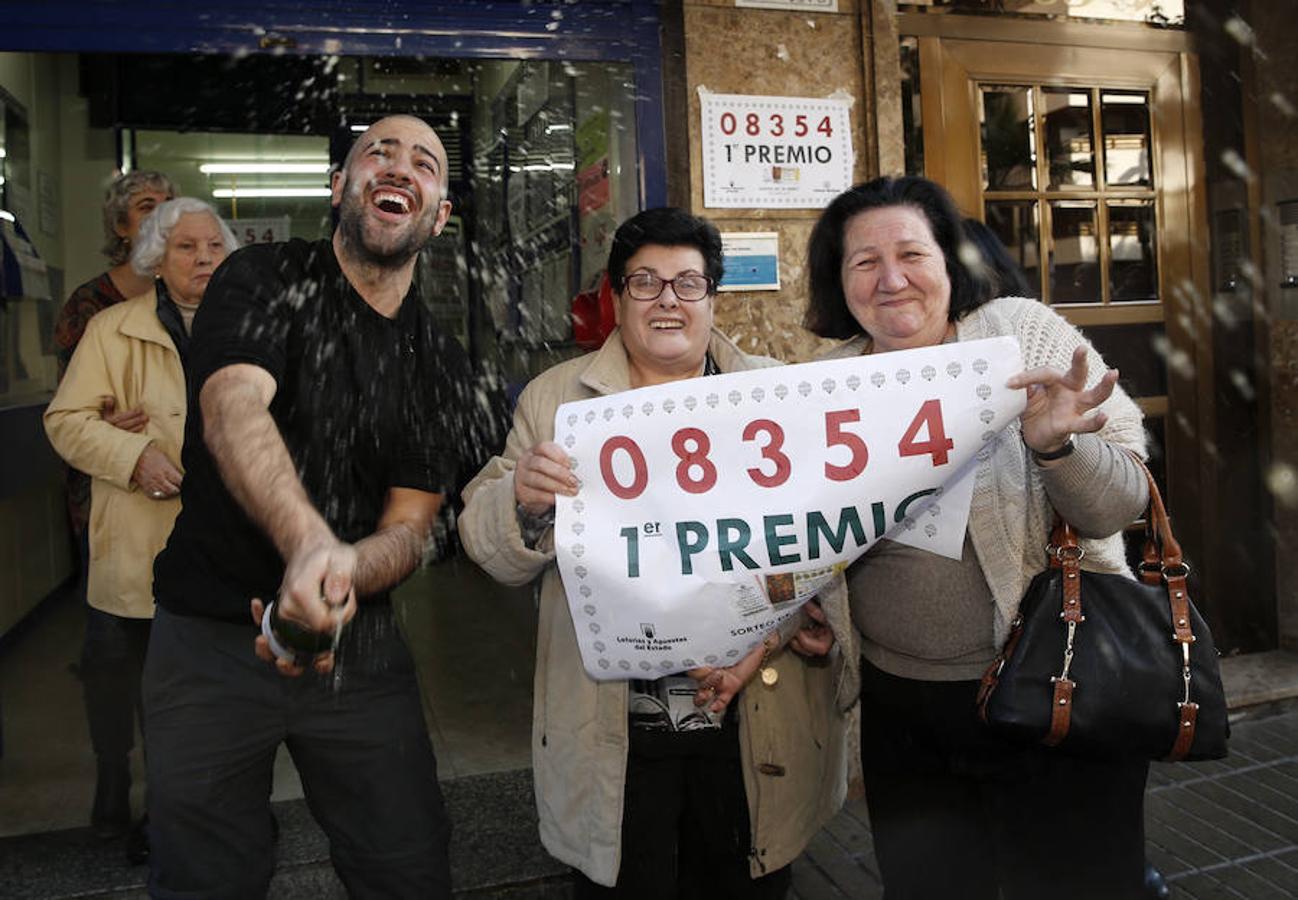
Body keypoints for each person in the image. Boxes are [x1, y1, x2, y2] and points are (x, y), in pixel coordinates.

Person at [459, 207, 855, 898]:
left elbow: (823, 542)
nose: (668, 299)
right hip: (615, 722)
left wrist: (774, 638)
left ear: (713, 297)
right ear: (617, 298)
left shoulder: (774, 392)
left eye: (687, 283)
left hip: (749, 715)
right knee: (624, 880)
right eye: (645, 282)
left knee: (747, 878)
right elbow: (487, 544)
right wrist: (522, 501)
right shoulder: (558, 400)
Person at [143, 115, 472, 899]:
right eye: (378, 154)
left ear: (438, 214)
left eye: (423, 163)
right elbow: (233, 408)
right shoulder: (261, 276)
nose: (399, 168)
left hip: (358, 648)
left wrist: (340, 576)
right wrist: (309, 544)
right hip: (207, 643)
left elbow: (410, 526)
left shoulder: (439, 361)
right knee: (202, 877)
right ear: (339, 188)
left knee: (406, 867)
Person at [805, 176, 1150, 899]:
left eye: (911, 253)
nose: (891, 278)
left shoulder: (1018, 333)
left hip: (1056, 687)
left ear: (948, 260)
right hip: (902, 710)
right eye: (863, 262)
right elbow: (806, 537)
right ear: (840, 283)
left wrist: (1058, 447)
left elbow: (1119, 506)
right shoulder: (824, 387)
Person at [46, 193, 225, 854]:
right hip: (137, 539)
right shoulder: (110, 328)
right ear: (155, 256)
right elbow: (66, 422)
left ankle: (176, 814)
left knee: (197, 694)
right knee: (123, 678)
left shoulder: (243, 326)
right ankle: (120, 790)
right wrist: (133, 455)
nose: (204, 257)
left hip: (217, 543)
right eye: (186, 247)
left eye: (213, 246)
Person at [48, 170, 176, 839]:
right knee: (110, 657)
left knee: (168, 661)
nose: (159, 218)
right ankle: (110, 777)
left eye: (167, 206)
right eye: (145, 208)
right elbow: (80, 411)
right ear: (122, 227)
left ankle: (166, 795)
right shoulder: (91, 308)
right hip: (103, 499)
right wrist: (111, 432)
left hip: (176, 512)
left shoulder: (187, 298)